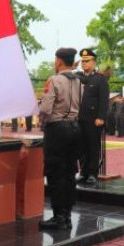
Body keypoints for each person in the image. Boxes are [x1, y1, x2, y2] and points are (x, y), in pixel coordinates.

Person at [38, 47, 81, 230]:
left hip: (57, 129)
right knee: (70, 173)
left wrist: (43, 122)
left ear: (58, 61)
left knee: (55, 173)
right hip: (74, 127)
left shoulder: (54, 80)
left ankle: (58, 217)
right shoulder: (79, 81)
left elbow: (46, 109)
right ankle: (68, 215)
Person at [76, 48, 109, 185]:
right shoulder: (77, 77)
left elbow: (103, 99)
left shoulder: (100, 79)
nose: (84, 64)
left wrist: (101, 117)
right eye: (82, 61)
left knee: (93, 147)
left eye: (87, 61)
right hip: (79, 118)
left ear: (94, 62)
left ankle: (92, 173)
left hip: (93, 119)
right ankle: (83, 172)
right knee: (81, 147)